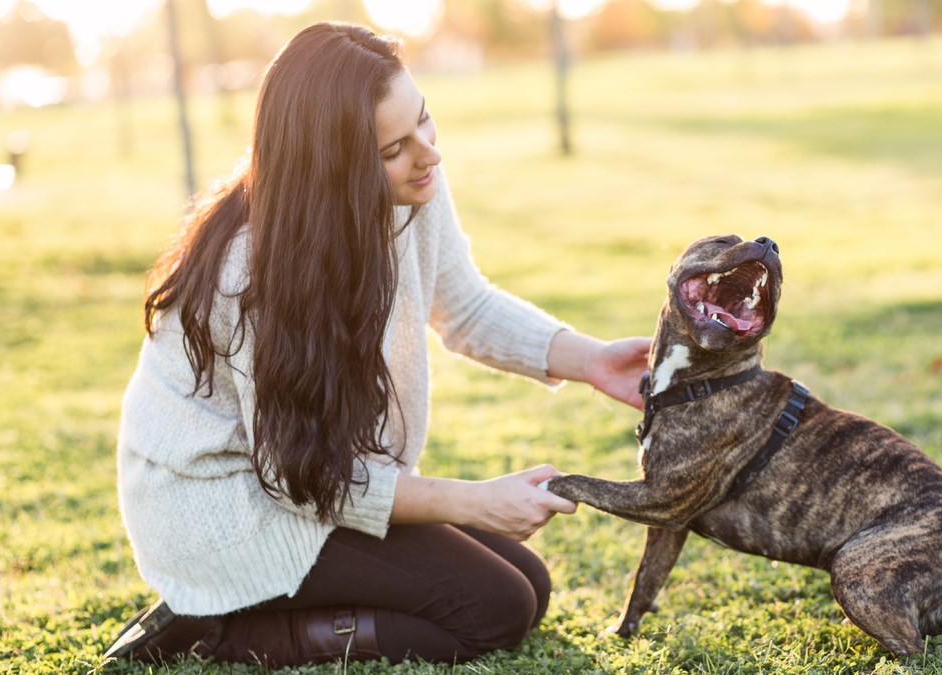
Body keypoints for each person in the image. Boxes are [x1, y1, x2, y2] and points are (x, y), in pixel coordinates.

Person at [102, 21, 649, 668]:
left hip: (307, 482)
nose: (428, 154)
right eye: (394, 148)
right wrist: (475, 499)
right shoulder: (250, 267)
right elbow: (298, 478)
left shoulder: (412, 188)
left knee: (529, 581)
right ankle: (221, 628)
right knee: (495, 606)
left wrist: (590, 360)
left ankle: (253, 608)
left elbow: (464, 303)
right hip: (222, 509)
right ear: (332, 170)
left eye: (425, 121)